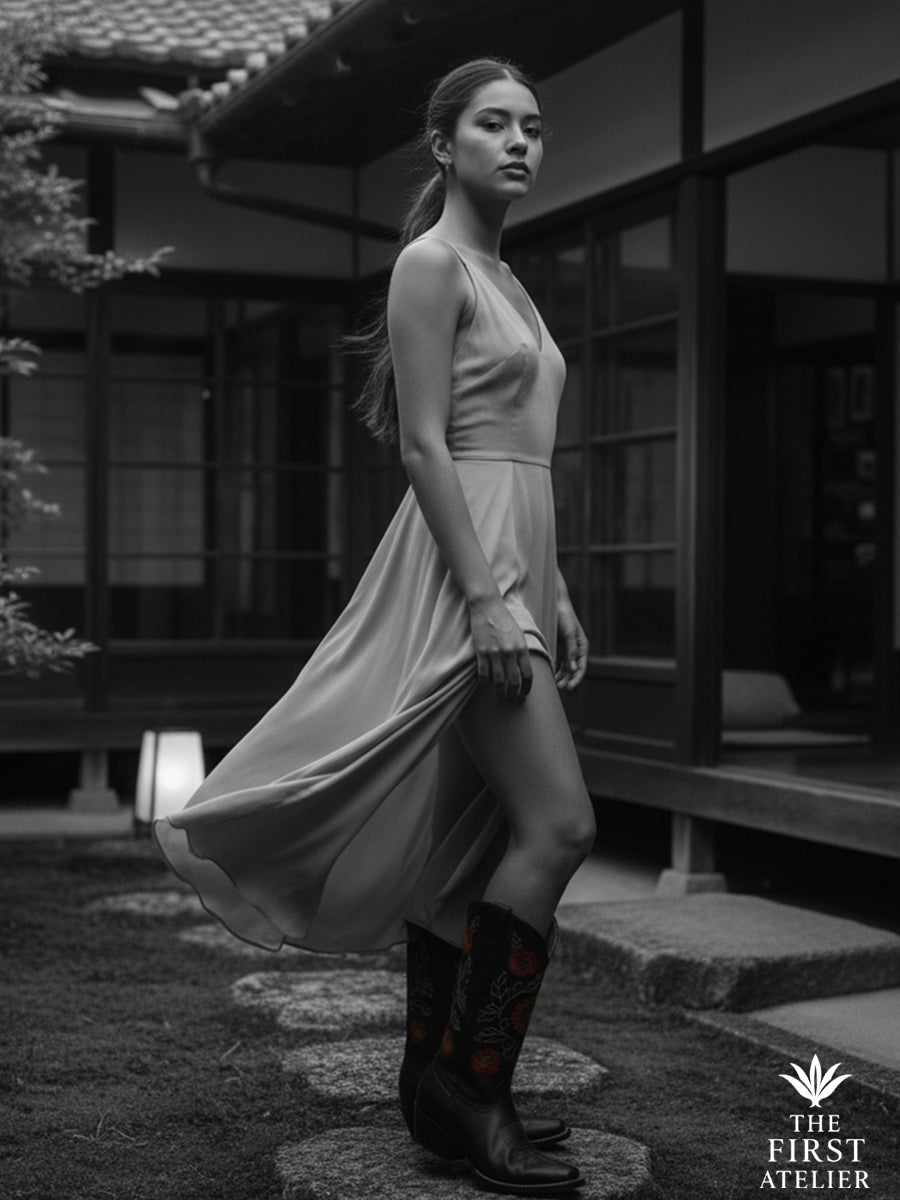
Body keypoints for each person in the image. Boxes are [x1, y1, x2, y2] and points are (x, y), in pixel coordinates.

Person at [154, 57, 594, 1196]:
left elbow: (524, 456)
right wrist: (489, 597)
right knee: (560, 827)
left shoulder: (510, 277)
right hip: (465, 574)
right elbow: (426, 445)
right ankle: (472, 1090)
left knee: (465, 853)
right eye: (493, 123)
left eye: (533, 126)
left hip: (517, 562)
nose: (520, 142)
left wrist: (552, 590)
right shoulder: (430, 263)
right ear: (443, 145)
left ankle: (430, 1089)